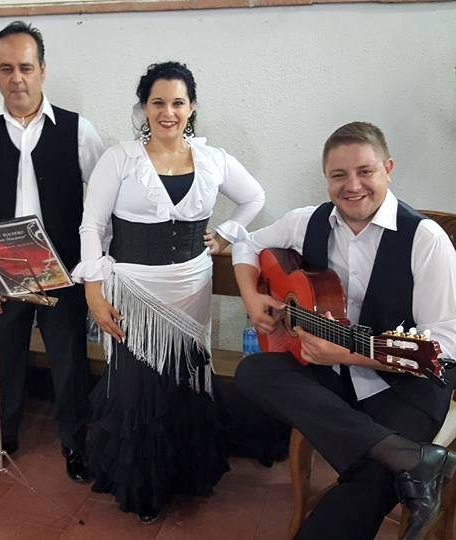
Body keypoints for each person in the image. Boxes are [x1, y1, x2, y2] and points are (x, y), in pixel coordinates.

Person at [233, 121, 456, 540]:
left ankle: (391, 459)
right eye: (339, 175)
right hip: (334, 380)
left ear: (388, 169)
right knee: (252, 371)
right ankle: (409, 458)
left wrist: (347, 355)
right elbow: (245, 243)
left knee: (367, 484)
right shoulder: (307, 221)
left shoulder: (425, 239)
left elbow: (445, 345)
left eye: (365, 171)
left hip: (406, 388)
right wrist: (251, 295)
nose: (352, 186)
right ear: (326, 178)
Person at [76, 61, 265, 523]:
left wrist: (225, 234)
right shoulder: (119, 158)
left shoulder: (214, 158)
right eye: (158, 102)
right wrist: (93, 293)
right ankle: (142, 483)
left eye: (177, 102)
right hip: (134, 290)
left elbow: (254, 196)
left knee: (184, 377)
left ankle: (184, 474)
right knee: (138, 385)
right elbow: (92, 226)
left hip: (192, 287)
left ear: (192, 107)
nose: (168, 111)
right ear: (144, 107)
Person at [0, 21, 105, 482]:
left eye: (25, 67)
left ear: (42, 71)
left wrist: (93, 272)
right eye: (6, 69)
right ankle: (0, 441)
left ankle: (76, 445)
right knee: (4, 357)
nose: (16, 78)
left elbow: (101, 205)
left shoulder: (78, 129)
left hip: (63, 270)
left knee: (69, 361)